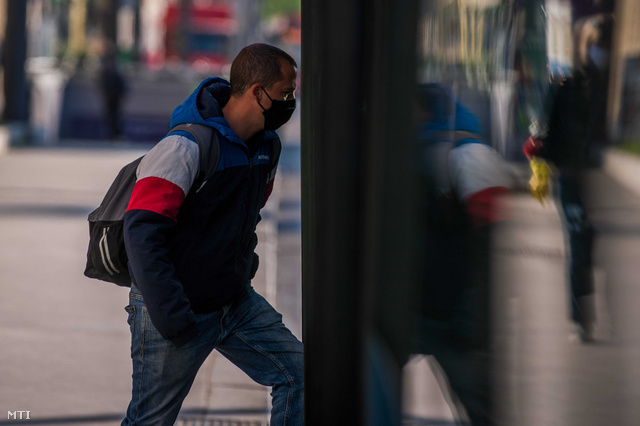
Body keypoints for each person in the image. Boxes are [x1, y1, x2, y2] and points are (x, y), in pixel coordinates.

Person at [121, 43, 304, 425]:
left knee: (300, 375)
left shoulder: (267, 148)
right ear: (257, 91)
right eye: (285, 93)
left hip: (235, 305)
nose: (290, 102)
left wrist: (241, 267)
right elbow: (140, 231)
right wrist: (172, 315)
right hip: (175, 311)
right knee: (150, 420)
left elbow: (248, 217)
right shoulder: (185, 146)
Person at [413, 83, 511, 425]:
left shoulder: (469, 154)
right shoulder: (414, 150)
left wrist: (472, 313)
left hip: (454, 314)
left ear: (425, 109)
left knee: (478, 405)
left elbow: (488, 249)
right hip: (420, 307)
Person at [523, 14, 613, 343]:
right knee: (580, 245)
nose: (601, 51)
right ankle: (581, 319)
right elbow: (546, 131)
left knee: (588, 246)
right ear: (584, 46)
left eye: (605, 46)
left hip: (602, 182)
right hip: (574, 179)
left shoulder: (604, 86)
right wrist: (555, 163)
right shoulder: (567, 85)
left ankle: (587, 315)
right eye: (597, 45)